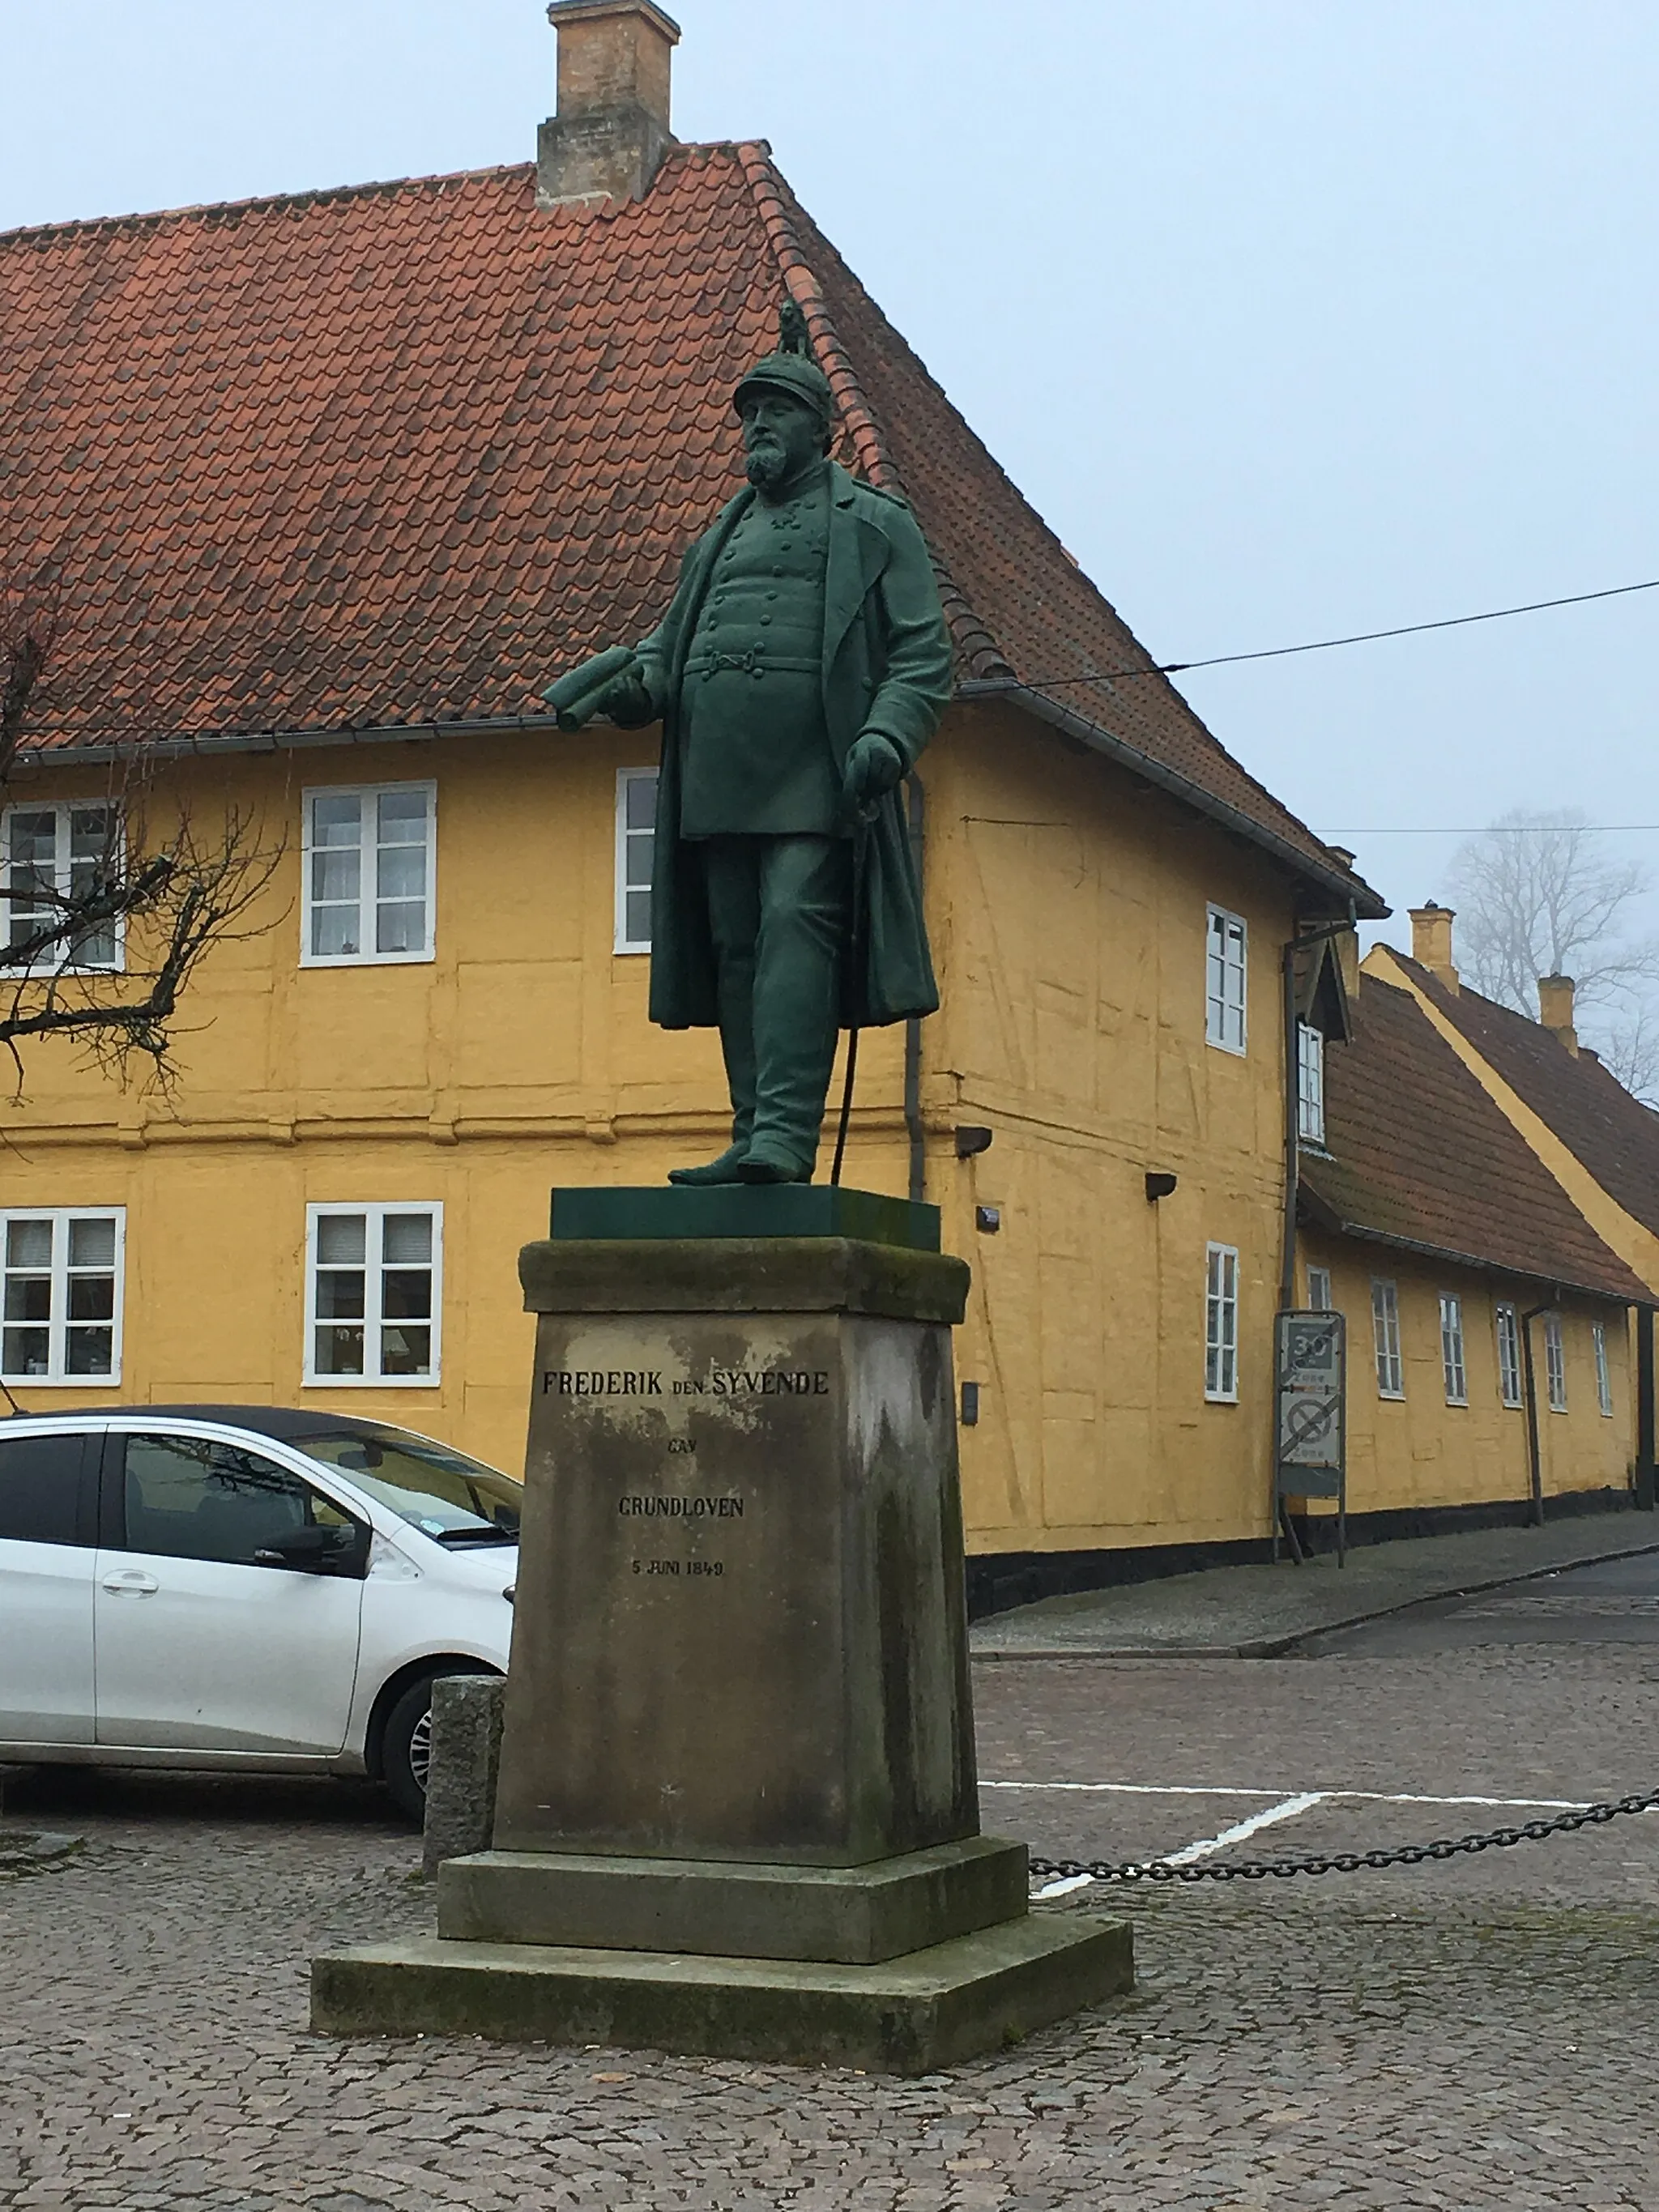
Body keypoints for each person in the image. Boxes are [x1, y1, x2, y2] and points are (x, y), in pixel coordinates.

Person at [548, 313, 953, 1185]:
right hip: (714, 771)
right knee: (734, 943)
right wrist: (633, 689)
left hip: (815, 770)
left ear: (819, 427)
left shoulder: (875, 525)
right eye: (749, 414)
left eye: (775, 410)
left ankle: (782, 1135)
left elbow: (922, 656)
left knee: (794, 925)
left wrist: (886, 734)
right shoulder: (717, 536)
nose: (757, 426)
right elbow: (667, 651)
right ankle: (748, 1134)